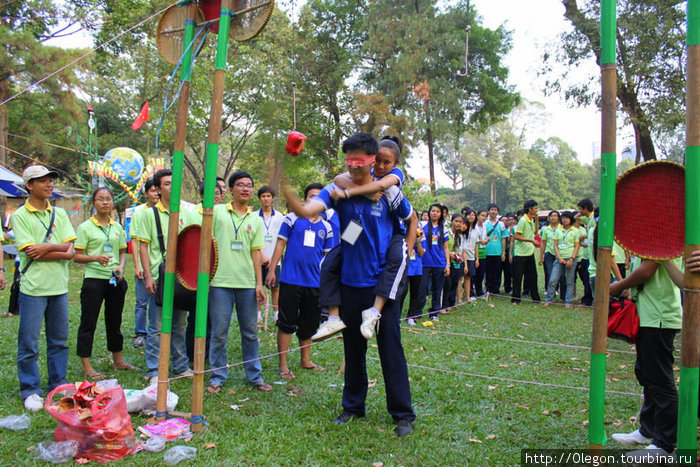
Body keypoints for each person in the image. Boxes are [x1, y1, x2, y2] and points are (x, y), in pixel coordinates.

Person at [284, 132, 416, 437]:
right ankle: (353, 407)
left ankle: (402, 414)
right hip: (350, 284)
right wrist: (285, 187)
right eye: (350, 159)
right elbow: (306, 211)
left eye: (362, 159)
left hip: (382, 285)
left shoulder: (389, 193)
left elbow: (411, 219)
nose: (356, 165)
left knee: (390, 350)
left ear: (373, 161)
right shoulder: (336, 188)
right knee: (353, 350)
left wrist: (406, 250)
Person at [312, 135, 414, 341]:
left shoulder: (393, 182)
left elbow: (410, 216)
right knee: (329, 261)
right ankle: (332, 317)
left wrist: (409, 249)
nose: (381, 166)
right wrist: (358, 191)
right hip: (355, 230)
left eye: (388, 162)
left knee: (397, 259)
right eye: (378, 160)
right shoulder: (354, 178)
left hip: (393, 235)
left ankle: (375, 310)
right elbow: (338, 179)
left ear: (395, 164)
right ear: (370, 158)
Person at [12, 165, 76, 411]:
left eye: (51, 180)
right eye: (42, 181)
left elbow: (70, 252)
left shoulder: (59, 215)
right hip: (33, 288)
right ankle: (30, 389)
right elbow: (31, 253)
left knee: (59, 340)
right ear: (29, 185)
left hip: (59, 287)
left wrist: (45, 247)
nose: (49, 185)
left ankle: (58, 383)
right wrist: (56, 248)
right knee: (28, 342)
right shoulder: (20, 216)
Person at [609, 255, 682, 461]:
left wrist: (617, 286)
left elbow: (647, 270)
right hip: (648, 314)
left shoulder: (659, 236)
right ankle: (648, 431)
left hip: (659, 317)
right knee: (647, 375)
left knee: (660, 380)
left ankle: (665, 444)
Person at [206, 171, 270, 393]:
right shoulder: (217, 213)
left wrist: (259, 284)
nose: (246, 189)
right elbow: (207, 245)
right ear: (230, 190)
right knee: (219, 332)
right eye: (240, 185)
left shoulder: (255, 219)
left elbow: (256, 253)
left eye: (249, 185)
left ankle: (255, 376)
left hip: (247, 284)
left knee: (250, 332)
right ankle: (217, 377)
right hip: (220, 282)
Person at [132, 169, 193, 385]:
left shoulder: (187, 213)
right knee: (156, 326)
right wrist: (147, 276)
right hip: (160, 276)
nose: (172, 187)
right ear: (157, 189)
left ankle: (180, 365)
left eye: (175, 182)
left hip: (182, 278)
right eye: (167, 183)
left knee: (179, 324)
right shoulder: (149, 214)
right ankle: (154, 369)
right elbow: (143, 247)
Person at [266, 183, 333, 379]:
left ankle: (305, 360)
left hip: (314, 284)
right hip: (290, 280)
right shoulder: (291, 219)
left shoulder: (326, 227)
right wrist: (272, 270)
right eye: (311, 196)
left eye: (319, 197)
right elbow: (280, 244)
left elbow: (328, 258)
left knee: (309, 323)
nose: (315, 200)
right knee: (286, 322)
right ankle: (283, 364)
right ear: (305, 199)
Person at [73, 187, 137, 380]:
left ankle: (118, 360)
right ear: (94, 203)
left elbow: (123, 250)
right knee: (88, 322)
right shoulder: (85, 227)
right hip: (94, 280)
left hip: (115, 280)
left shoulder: (117, 227)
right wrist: (95, 258)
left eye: (108, 199)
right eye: (100, 199)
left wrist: (121, 267)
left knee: (114, 320)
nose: (105, 202)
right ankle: (86, 365)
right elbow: (77, 256)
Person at [129, 178, 159, 348]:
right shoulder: (139, 213)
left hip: (160, 267)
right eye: (152, 190)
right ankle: (141, 333)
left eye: (157, 190)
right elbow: (134, 241)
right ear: (146, 193)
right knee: (142, 301)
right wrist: (137, 265)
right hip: (144, 265)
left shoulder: (170, 212)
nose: (155, 193)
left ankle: (159, 332)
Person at [256, 186, 284, 324]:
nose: (266, 199)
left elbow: (282, 239)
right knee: (258, 285)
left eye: (268, 196)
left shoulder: (280, 217)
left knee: (275, 287)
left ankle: (276, 314)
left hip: (275, 259)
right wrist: (262, 256)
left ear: (273, 198)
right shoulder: (254, 216)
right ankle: (258, 314)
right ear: (259, 198)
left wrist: (273, 260)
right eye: (263, 196)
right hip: (258, 258)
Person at [543, 211, 580, 308]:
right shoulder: (558, 230)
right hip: (559, 258)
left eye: (567, 218)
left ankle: (568, 302)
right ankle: (548, 299)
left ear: (571, 219)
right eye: (563, 218)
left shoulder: (575, 231)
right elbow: (555, 246)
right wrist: (559, 258)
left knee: (570, 281)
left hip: (571, 258)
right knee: (552, 280)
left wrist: (572, 259)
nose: (564, 219)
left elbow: (577, 246)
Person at [420, 203, 450, 320]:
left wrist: (447, 264)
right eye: (433, 211)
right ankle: (417, 311)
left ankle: (434, 313)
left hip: (439, 263)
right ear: (429, 212)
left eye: (437, 211)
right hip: (424, 262)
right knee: (422, 289)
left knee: (437, 290)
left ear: (441, 214)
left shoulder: (444, 228)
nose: (435, 213)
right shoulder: (422, 226)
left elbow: (446, 247)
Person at [511, 200, 540, 304]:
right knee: (518, 277)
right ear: (530, 209)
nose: (537, 210)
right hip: (520, 254)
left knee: (533, 276)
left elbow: (535, 232)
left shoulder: (530, 220)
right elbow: (517, 236)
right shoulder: (523, 220)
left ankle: (536, 298)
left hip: (530, 252)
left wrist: (536, 220)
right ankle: (515, 299)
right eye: (535, 208)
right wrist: (531, 240)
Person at [399, 224, 426, 325]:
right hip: (404, 266)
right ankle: (397, 316)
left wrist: (418, 241)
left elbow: (421, 253)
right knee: (401, 292)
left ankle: (411, 317)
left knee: (415, 293)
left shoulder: (420, 232)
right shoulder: (401, 229)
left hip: (417, 268)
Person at [539, 210, 565, 301]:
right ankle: (550, 293)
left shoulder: (562, 228)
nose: (553, 217)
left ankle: (559, 292)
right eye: (551, 216)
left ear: (559, 218)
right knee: (549, 273)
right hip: (549, 254)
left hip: (560, 254)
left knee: (561, 275)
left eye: (555, 216)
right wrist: (541, 257)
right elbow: (543, 243)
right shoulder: (546, 229)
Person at [483, 204, 508, 295]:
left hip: (498, 251)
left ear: (498, 212)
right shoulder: (484, 223)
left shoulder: (501, 224)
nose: (493, 211)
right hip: (487, 251)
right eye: (492, 210)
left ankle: (496, 289)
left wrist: (503, 252)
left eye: (495, 210)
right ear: (488, 211)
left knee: (497, 271)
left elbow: (503, 238)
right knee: (488, 271)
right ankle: (488, 289)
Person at [444, 213, 465, 307]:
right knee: (447, 283)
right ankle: (444, 303)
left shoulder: (458, 236)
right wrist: (450, 254)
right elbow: (443, 248)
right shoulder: (446, 232)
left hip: (455, 262)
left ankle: (451, 303)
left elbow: (455, 248)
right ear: (451, 221)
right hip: (446, 261)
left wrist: (457, 254)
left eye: (460, 222)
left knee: (455, 282)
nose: (458, 224)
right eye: (456, 221)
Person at [461, 209, 479, 303]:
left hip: (471, 256)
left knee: (468, 277)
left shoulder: (475, 231)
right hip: (461, 256)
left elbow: (476, 245)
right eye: (469, 215)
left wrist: (477, 259)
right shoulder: (462, 229)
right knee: (460, 277)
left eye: (473, 215)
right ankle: (459, 297)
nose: (471, 216)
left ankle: (468, 296)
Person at [473, 209, 489, 298]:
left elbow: (485, 236)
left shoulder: (484, 226)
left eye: (485, 216)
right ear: (478, 216)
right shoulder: (474, 226)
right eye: (482, 215)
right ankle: (471, 292)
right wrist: (481, 241)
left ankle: (479, 292)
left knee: (481, 274)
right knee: (473, 273)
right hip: (475, 252)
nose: (484, 217)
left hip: (483, 251)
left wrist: (486, 240)